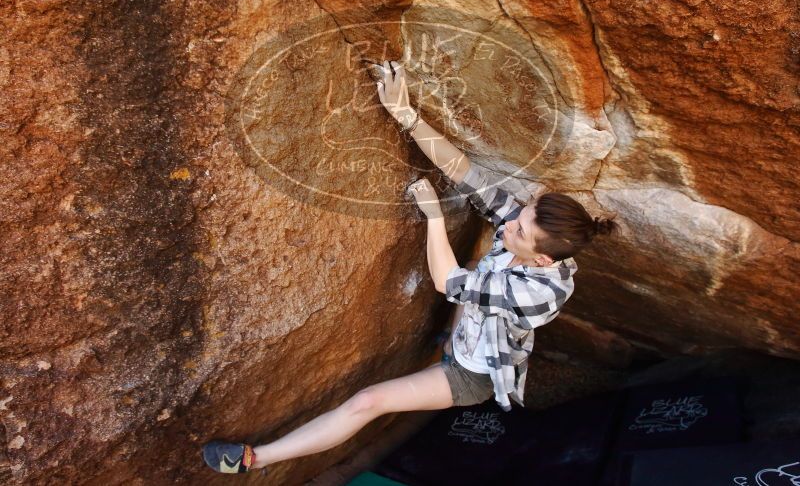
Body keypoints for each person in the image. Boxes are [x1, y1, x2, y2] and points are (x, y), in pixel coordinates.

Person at [201, 60, 616, 474]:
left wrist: (433, 216)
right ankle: (447, 338)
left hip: (471, 374)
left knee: (369, 402)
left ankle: (255, 459)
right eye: (522, 213)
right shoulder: (535, 237)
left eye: (520, 230)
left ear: (542, 259)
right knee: (478, 260)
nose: (509, 223)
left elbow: (448, 283)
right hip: (469, 327)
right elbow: (466, 175)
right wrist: (406, 115)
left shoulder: (540, 295)